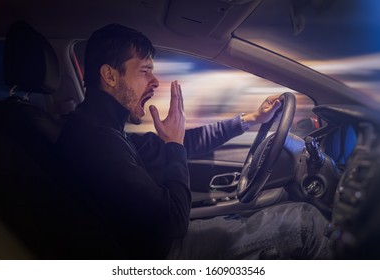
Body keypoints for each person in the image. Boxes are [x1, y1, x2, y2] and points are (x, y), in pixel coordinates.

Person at [56, 23, 332, 259]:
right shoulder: (96, 141)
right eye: (144, 71)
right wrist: (173, 146)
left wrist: (251, 119)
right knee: (305, 223)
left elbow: (186, 143)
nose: (154, 82)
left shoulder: (104, 128)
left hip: (156, 244)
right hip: (161, 255)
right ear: (110, 76)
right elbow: (173, 222)